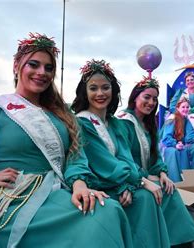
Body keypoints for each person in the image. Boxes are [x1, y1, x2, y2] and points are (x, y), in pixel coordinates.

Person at [0, 33, 132, 247]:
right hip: (13, 200)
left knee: (108, 209)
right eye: (34, 64)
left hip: (58, 192)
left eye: (48, 68)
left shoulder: (62, 115)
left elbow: (75, 156)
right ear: (16, 66)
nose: (42, 72)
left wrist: (79, 184)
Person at [71, 59, 170, 247]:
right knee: (144, 197)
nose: (100, 93)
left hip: (120, 181)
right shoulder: (82, 123)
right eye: (93, 88)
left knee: (147, 198)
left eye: (105, 87)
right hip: (100, 183)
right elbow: (104, 163)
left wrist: (131, 183)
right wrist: (138, 181)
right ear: (85, 92)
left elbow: (125, 157)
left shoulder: (115, 123)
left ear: (113, 91)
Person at [117, 77, 194, 246]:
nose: (151, 102)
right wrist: (144, 179)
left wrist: (162, 173)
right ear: (135, 97)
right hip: (129, 177)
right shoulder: (124, 122)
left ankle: (186, 240)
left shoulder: (149, 124)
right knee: (158, 193)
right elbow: (121, 157)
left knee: (170, 188)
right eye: (146, 97)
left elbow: (155, 155)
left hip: (146, 175)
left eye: (155, 99)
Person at [161, 97, 191, 182]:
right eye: (183, 107)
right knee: (174, 152)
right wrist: (175, 144)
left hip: (178, 144)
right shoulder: (172, 118)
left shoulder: (186, 119)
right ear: (178, 108)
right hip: (168, 145)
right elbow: (166, 138)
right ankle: (174, 181)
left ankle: (186, 182)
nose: (185, 109)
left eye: (187, 107)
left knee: (184, 151)